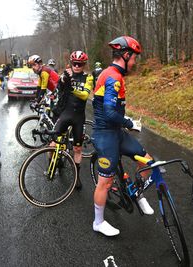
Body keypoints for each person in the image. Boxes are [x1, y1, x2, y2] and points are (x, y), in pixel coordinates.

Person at [92, 36, 154, 237]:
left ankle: (136, 192)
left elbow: (111, 107)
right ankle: (98, 222)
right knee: (106, 182)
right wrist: (130, 123)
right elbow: (109, 113)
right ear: (125, 55)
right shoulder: (113, 76)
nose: (135, 62)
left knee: (147, 162)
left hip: (116, 132)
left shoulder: (113, 74)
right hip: (105, 135)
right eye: (134, 58)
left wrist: (125, 119)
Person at [52, 51, 94, 189]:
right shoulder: (66, 73)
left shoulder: (88, 77)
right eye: (74, 63)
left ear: (83, 65)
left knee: (77, 148)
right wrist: (63, 80)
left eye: (80, 64)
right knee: (52, 142)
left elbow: (84, 95)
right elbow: (58, 89)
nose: (76, 66)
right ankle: (52, 162)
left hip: (78, 117)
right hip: (65, 113)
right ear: (71, 63)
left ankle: (76, 177)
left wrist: (71, 88)